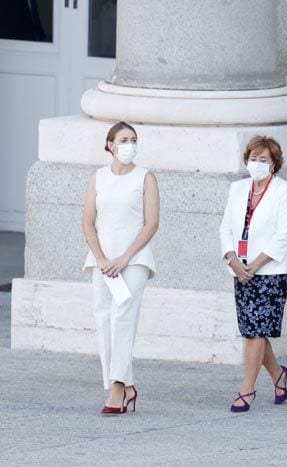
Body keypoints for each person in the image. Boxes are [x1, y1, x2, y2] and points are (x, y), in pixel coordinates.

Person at [82, 121, 159, 415]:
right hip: (102, 260)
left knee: (122, 316)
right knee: (103, 317)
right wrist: (102, 258)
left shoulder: (145, 177)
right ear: (110, 145)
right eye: (124, 139)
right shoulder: (98, 177)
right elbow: (88, 221)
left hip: (134, 260)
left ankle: (117, 386)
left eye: (134, 139)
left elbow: (151, 223)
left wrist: (124, 258)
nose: (130, 144)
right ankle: (127, 386)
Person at [219, 136, 287, 413]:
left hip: (270, 271)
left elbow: (283, 235)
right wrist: (232, 260)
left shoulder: (285, 191)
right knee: (253, 329)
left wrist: (253, 266)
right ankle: (278, 375)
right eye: (253, 159)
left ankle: (247, 389)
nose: (257, 164)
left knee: (255, 331)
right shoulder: (237, 189)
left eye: (263, 160)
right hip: (239, 269)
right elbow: (226, 228)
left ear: (274, 164)